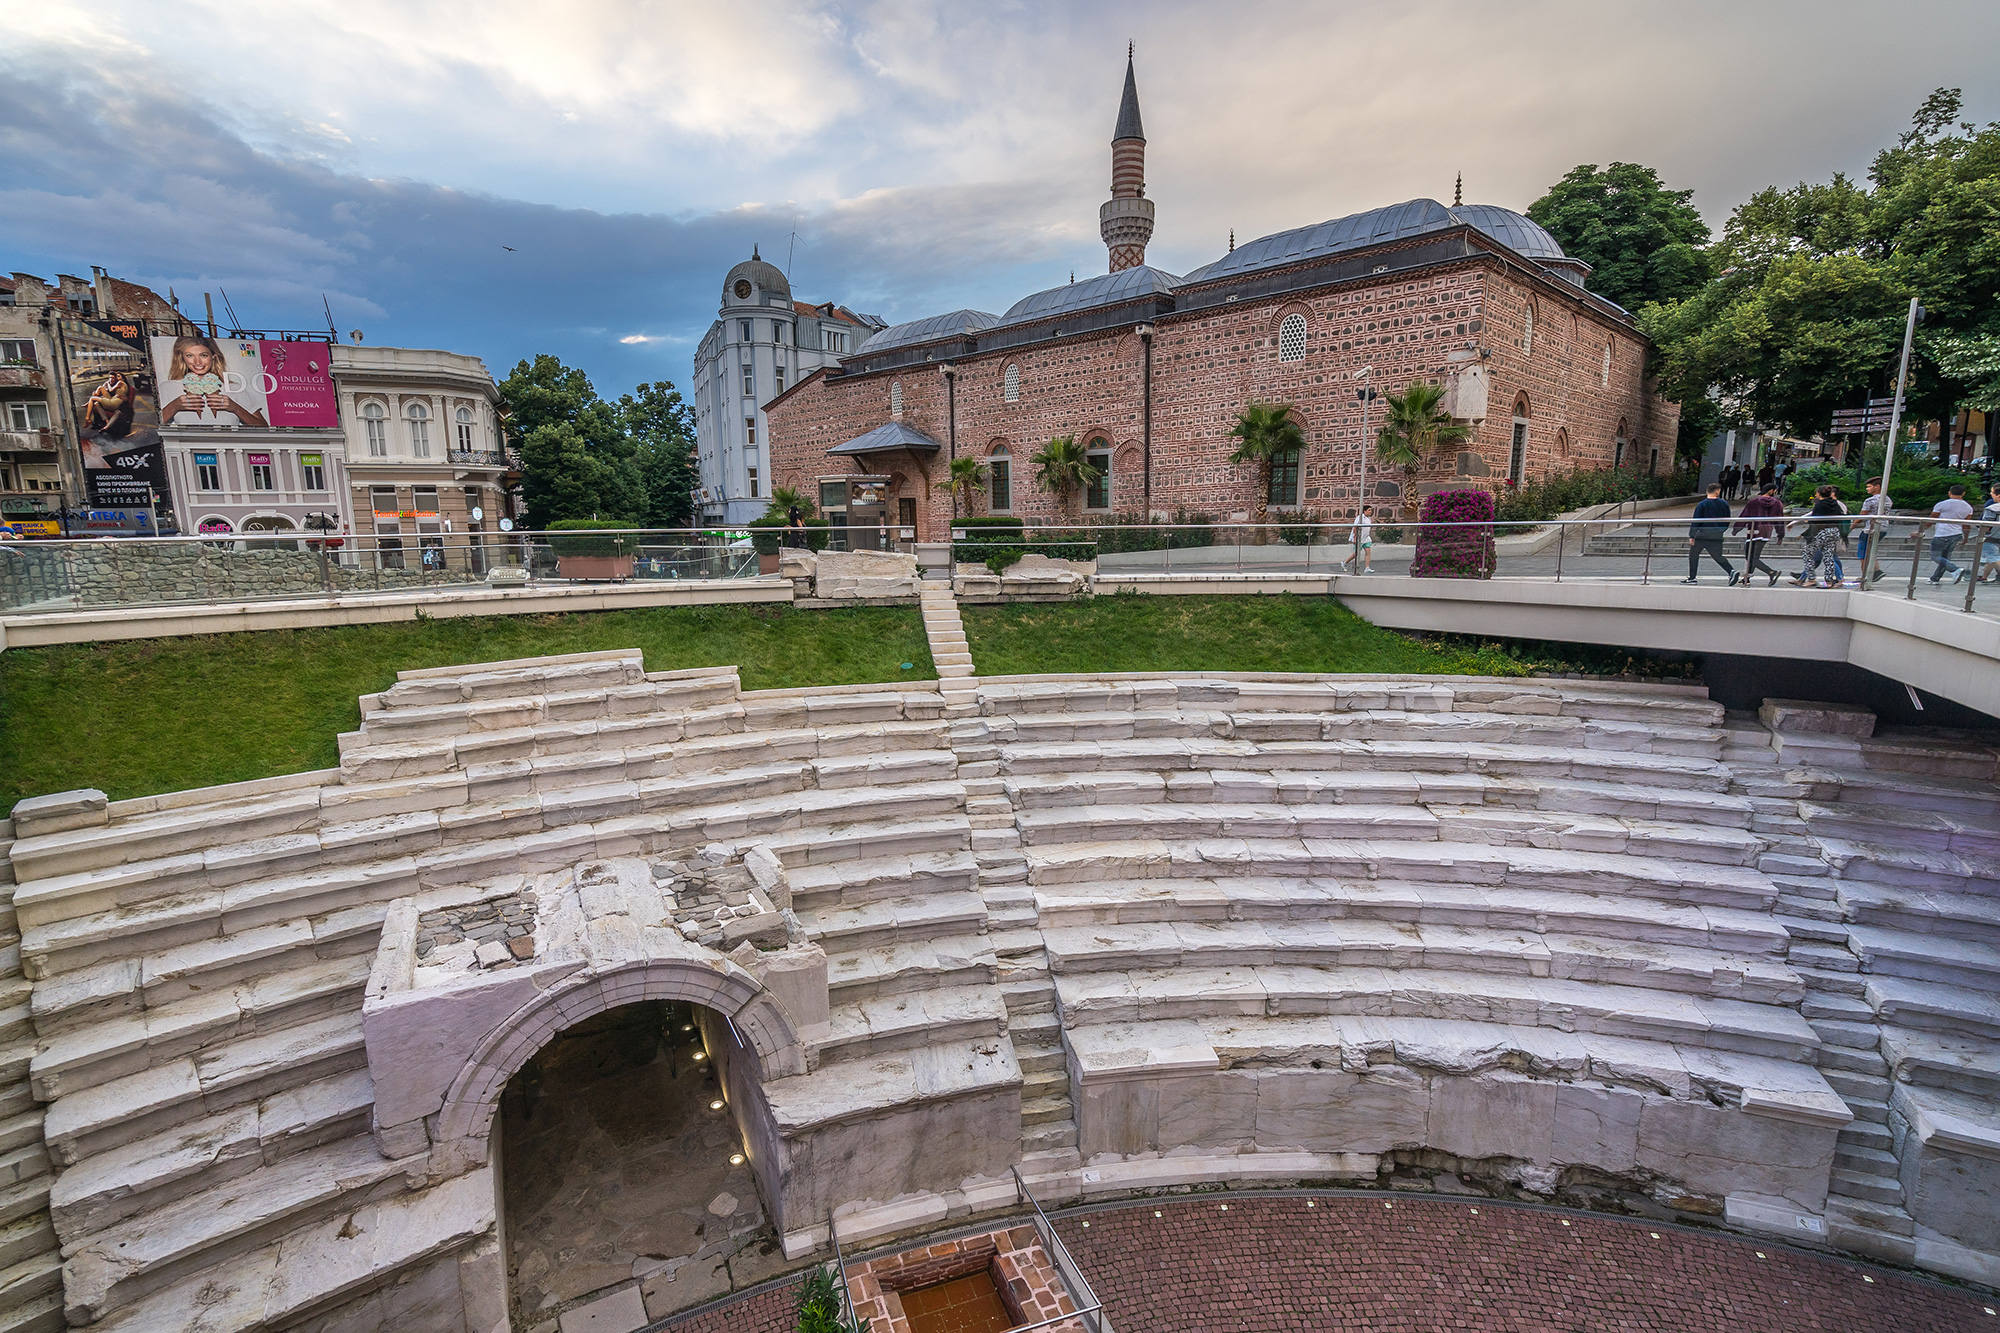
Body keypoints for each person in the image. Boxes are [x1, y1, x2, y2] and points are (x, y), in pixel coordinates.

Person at [1794, 485, 1847, 588]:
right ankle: (1829, 581)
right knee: (1828, 556)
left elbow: (1815, 521)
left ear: (1819, 494)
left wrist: (1809, 532)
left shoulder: (1820, 505)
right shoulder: (1835, 504)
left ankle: (1811, 578)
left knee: (1807, 554)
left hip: (1823, 532)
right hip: (1834, 531)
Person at [1733, 484, 1787, 585]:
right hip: (1766, 531)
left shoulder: (1753, 502)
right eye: (1775, 490)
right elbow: (1779, 521)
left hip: (1754, 530)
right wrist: (1780, 535)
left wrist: (1736, 528)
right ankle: (1747, 578)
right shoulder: (1777, 503)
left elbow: (1744, 516)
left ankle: (1771, 572)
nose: (1776, 493)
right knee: (1754, 556)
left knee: (1749, 556)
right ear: (1771, 491)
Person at [1684, 484, 1738, 585]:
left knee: (1693, 555)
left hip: (1702, 534)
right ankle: (1731, 571)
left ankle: (1692, 577)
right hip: (1717, 534)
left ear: (1707, 491)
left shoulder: (1702, 504)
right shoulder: (1724, 504)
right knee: (1717, 555)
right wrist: (1721, 529)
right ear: (1717, 491)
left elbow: (1697, 520)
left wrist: (1692, 535)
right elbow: (1727, 519)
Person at [1928, 483, 1974, 584]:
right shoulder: (1968, 507)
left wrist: (1920, 530)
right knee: (1945, 558)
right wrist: (1966, 537)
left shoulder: (1942, 504)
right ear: (1963, 493)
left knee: (1935, 556)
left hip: (1942, 533)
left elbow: (1931, 519)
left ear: (1949, 493)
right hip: (1956, 534)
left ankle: (1955, 569)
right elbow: (1966, 525)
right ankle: (1935, 578)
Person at [1853, 478, 1888, 582]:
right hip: (1883, 528)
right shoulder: (1887, 499)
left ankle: (1865, 576)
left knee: (1863, 553)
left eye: (1869, 486)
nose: (1867, 489)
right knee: (1871, 551)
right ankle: (1876, 572)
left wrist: (1853, 525)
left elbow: (1862, 516)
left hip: (1870, 529)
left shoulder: (1870, 500)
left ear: (1877, 487)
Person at [1340, 504, 1375, 573]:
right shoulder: (1360, 518)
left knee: (1368, 552)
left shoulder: (1369, 518)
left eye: (1371, 510)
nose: (1370, 512)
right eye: (1369, 510)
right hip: (1359, 537)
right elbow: (1355, 527)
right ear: (1364, 511)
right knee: (1356, 553)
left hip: (1366, 538)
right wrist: (1355, 537)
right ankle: (1344, 563)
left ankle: (1367, 567)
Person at [1978, 482, 2000, 583]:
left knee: (1993, 557)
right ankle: (1984, 576)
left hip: (1992, 537)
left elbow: (1985, 525)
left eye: (1992, 492)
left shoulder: (1992, 509)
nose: (1991, 494)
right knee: (1992, 558)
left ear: (1998, 495)